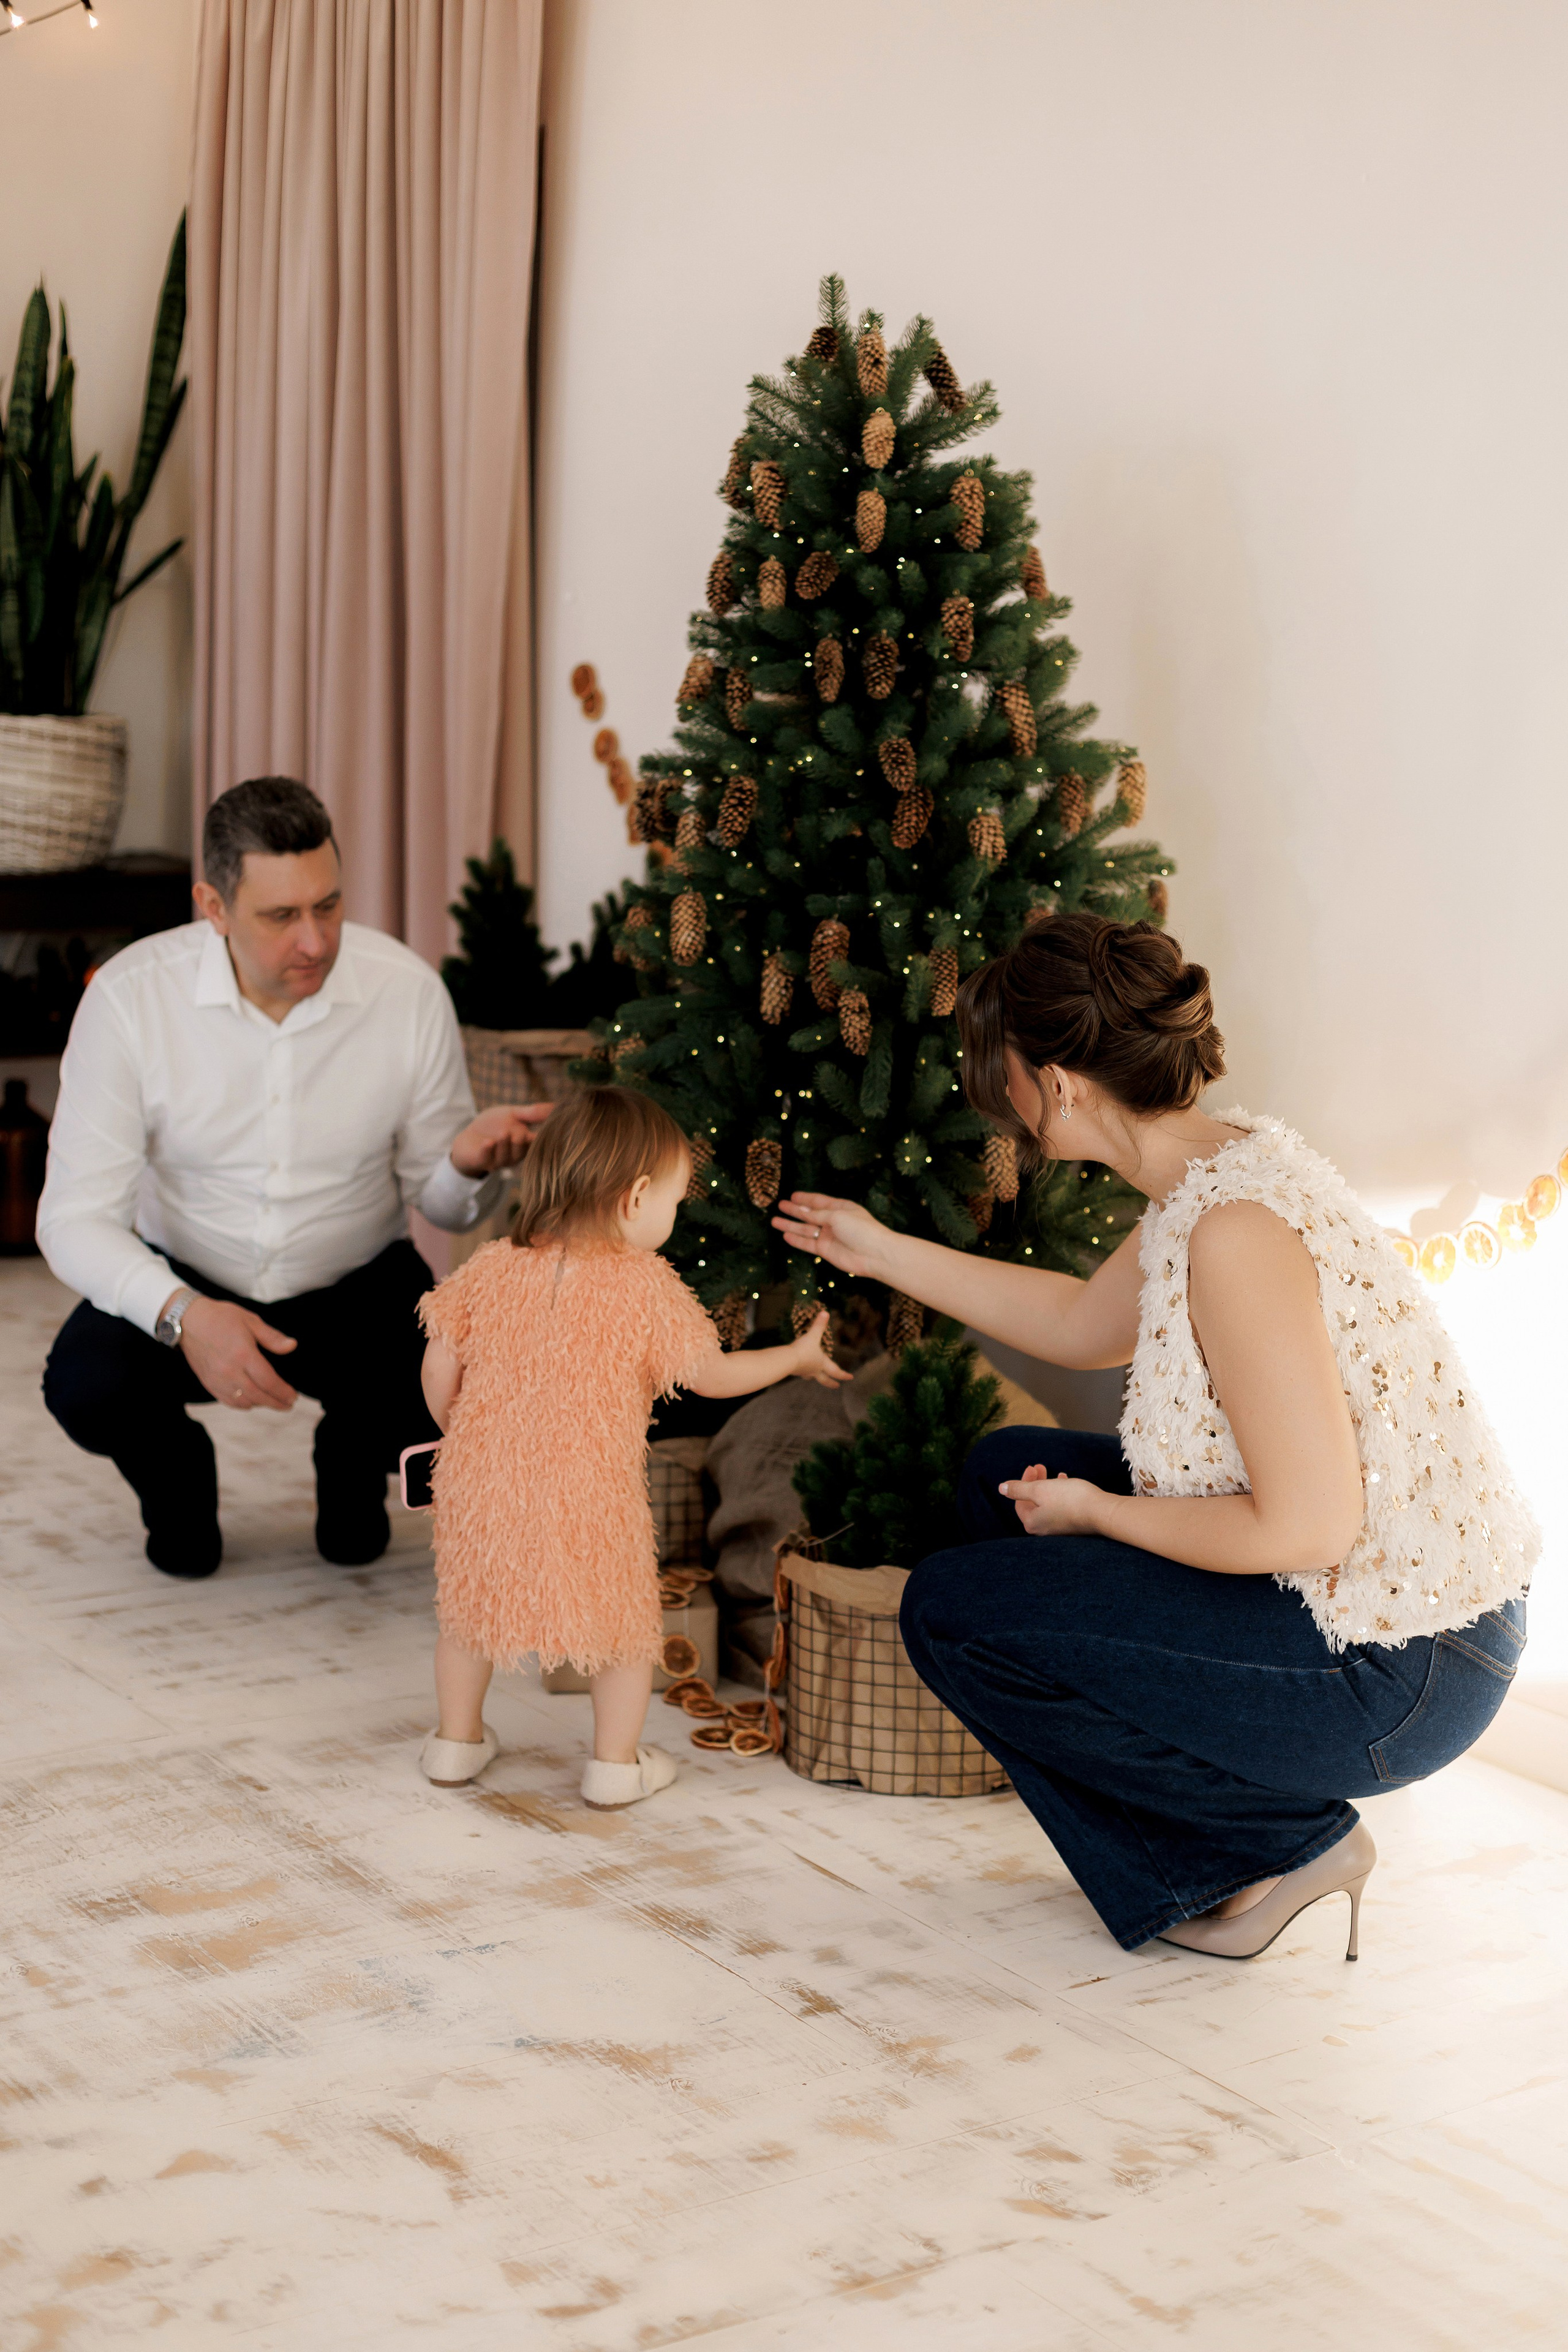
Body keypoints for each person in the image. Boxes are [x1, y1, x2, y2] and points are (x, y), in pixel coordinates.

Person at [774, 913, 1537, 1959]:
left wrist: (1097, 1512)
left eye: (1004, 1074)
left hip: (1403, 1667)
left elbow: (1309, 1527)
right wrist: (882, 1251)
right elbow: (1079, 1326)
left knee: (950, 1608)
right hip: (1362, 1601)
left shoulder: (1236, 1229)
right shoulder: (1211, 1172)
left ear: (1062, 1082)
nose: (998, 1103)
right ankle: (1221, 1833)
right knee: (999, 1478)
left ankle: (1278, 1844)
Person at [37, 777, 548, 1579]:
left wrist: (463, 1163)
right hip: (190, 1278)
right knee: (85, 1384)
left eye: (329, 906)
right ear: (213, 907)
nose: (314, 941)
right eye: (281, 916)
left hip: (358, 1284)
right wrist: (183, 1315)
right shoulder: (132, 1000)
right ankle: (178, 1483)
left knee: (455, 1410)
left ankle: (347, 1452)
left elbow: (442, 1208)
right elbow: (70, 1219)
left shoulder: (406, 990)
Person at [415, 1085, 849, 1809]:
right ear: (635, 1198)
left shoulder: (491, 1265)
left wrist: (461, 1432)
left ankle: (455, 1744)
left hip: (480, 1481)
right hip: (590, 1490)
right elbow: (711, 1376)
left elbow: (439, 1367)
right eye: (676, 1202)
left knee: (470, 1613)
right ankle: (614, 1764)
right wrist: (794, 1358)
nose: (675, 1218)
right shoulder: (645, 1286)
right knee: (619, 1625)